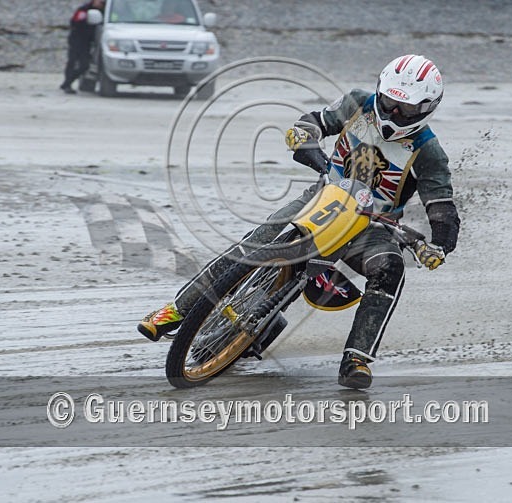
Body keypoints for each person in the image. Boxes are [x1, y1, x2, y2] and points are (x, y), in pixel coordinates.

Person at [140, 54, 461, 389]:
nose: (394, 112)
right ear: (380, 90)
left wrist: (438, 245)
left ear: (426, 108)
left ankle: (357, 358)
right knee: (262, 236)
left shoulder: (429, 151)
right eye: (390, 101)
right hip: (323, 195)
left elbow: (441, 205)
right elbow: (314, 121)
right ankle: (175, 310)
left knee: (390, 269)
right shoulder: (357, 102)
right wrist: (302, 134)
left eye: (406, 109)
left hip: (373, 227)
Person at [60, 0, 105, 94]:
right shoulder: (84, 10)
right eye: (100, 2)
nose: (102, 3)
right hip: (77, 40)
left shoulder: (104, 11)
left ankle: (67, 82)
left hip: (88, 43)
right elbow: (75, 23)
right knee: (72, 62)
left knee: (85, 65)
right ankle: (67, 84)